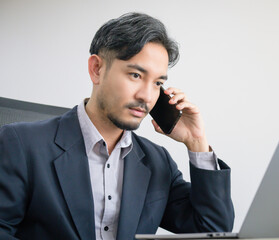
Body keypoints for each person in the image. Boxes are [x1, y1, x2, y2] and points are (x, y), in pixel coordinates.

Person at [0, 12, 234, 240]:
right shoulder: (21, 144)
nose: (146, 96)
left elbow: (213, 230)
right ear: (97, 69)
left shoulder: (157, 161)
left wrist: (196, 142)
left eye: (158, 83)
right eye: (135, 75)